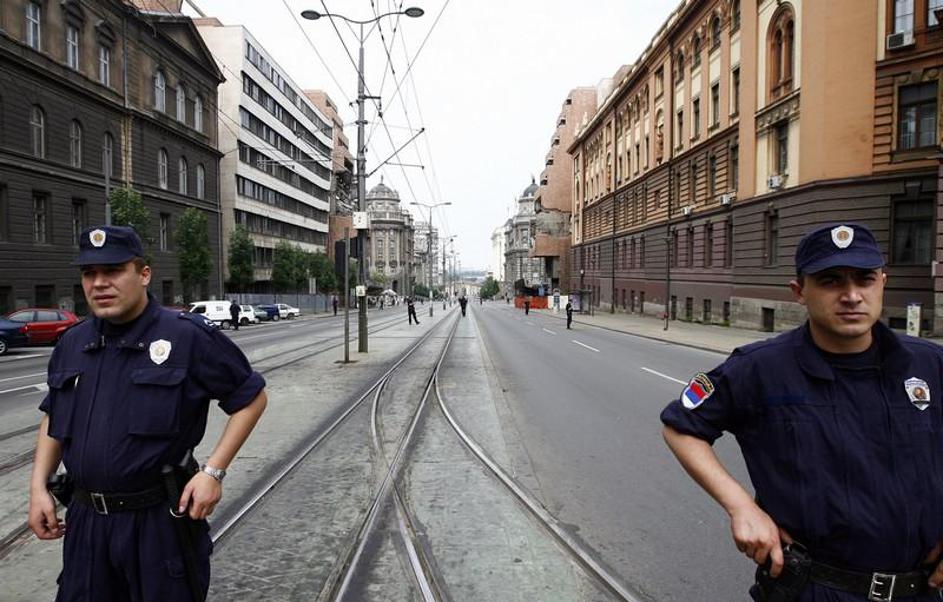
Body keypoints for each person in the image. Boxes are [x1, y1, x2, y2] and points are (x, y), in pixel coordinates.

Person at [660, 223, 943, 601]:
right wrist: (741, 506)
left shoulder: (929, 364)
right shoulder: (761, 368)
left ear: (882, 282)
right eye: (831, 281)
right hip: (813, 589)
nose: (852, 295)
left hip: (920, 591)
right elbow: (682, 426)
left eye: (865, 279)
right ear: (799, 292)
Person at [28, 225, 268, 601]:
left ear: (143, 274)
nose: (100, 283)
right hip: (87, 524)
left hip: (159, 524)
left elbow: (250, 398)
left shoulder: (186, 335)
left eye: (113, 271)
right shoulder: (73, 343)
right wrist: (37, 487)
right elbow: (54, 418)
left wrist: (213, 473)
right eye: (90, 274)